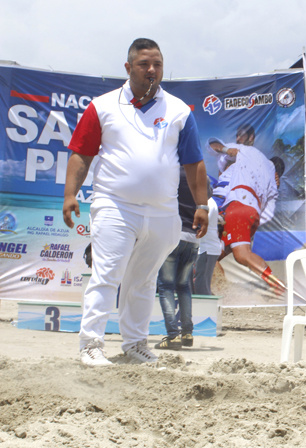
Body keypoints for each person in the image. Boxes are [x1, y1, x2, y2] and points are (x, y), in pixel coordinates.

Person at [62, 38, 208, 366]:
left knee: (144, 280)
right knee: (107, 275)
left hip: (162, 212)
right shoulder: (102, 106)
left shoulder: (179, 111)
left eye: (158, 64)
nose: (152, 70)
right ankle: (90, 345)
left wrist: (201, 205)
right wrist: (70, 194)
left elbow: (193, 162)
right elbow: (81, 153)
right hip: (115, 206)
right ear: (128, 68)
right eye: (144, 64)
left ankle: (136, 344)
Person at [209, 134, 286, 294]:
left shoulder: (249, 154)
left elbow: (212, 145)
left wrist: (226, 149)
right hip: (251, 215)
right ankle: (222, 292)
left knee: (241, 255)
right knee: (209, 257)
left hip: (235, 207)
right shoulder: (273, 184)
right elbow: (267, 214)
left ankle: (279, 288)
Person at [154, 168, 208, 350]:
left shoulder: (169, 173)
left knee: (166, 286)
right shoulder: (202, 176)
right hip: (193, 238)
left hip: (172, 235)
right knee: (184, 286)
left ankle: (172, 336)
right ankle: (187, 333)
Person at [192, 195, 222, 296]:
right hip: (205, 247)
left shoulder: (208, 203)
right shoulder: (207, 202)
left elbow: (199, 224)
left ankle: (206, 305)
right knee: (199, 284)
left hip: (207, 248)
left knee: (201, 286)